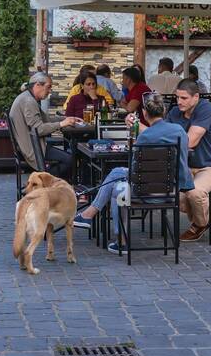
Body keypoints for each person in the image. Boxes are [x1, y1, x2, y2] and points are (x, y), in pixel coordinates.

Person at [72, 94, 194, 254]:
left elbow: (136, 172)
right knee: (118, 178)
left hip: (147, 193)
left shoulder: (145, 137)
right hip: (172, 190)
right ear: (164, 110)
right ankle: (91, 215)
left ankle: (116, 236)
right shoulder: (179, 131)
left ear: (144, 113)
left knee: (118, 186)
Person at [166, 80, 211, 241]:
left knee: (194, 192)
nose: (179, 102)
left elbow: (191, 141)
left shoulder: (206, 108)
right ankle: (209, 216)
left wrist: (169, 138)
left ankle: (199, 225)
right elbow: (160, 133)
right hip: (187, 168)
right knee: (174, 197)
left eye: (184, 98)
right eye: (177, 97)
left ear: (196, 97)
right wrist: (136, 125)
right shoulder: (174, 112)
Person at [8, 72, 80, 180]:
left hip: (30, 146)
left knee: (68, 158)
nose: (50, 91)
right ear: (37, 85)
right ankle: (45, 181)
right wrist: (61, 124)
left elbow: (46, 119)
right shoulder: (29, 101)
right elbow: (38, 129)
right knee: (71, 160)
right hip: (33, 150)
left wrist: (67, 119)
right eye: (48, 87)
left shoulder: (28, 97)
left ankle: (49, 183)